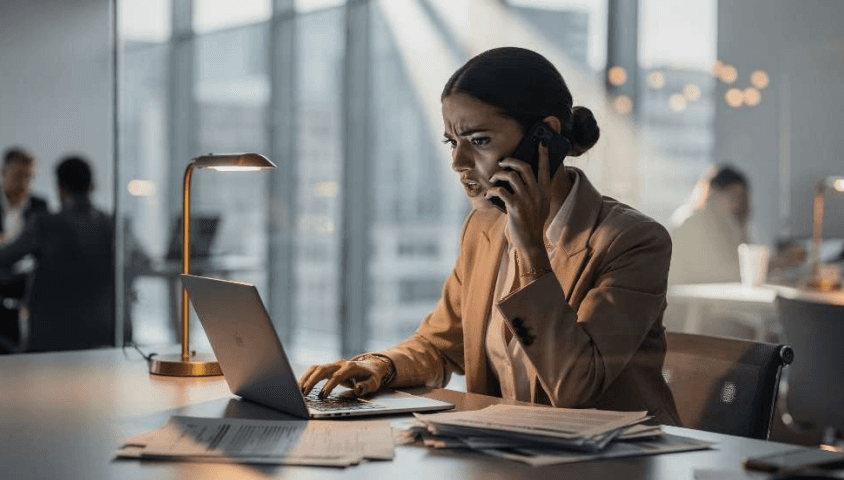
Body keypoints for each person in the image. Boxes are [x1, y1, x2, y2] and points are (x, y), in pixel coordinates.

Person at [299, 47, 681, 425]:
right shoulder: (483, 228)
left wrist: (531, 251)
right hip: (513, 452)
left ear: (543, 137)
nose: (458, 163)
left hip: (616, 461)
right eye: (452, 142)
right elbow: (441, 345)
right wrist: (378, 367)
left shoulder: (633, 241)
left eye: (479, 141)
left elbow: (577, 386)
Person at [0, 156, 115, 352]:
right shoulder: (112, 225)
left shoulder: (44, 224)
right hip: (104, 332)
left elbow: (4, 258)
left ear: (60, 188)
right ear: (93, 186)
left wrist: (28, 279)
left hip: (50, 337)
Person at [668, 164, 805, 286]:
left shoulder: (728, 224)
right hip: (689, 305)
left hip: (712, 300)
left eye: (741, 198)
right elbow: (722, 274)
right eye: (733, 197)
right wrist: (776, 263)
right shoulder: (692, 222)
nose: (737, 204)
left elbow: (741, 262)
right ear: (712, 193)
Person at [0, 147, 49, 349]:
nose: (25, 183)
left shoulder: (40, 206)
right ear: (4, 173)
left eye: (30, 177)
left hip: (25, 287)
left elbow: (43, 249)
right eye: (19, 176)